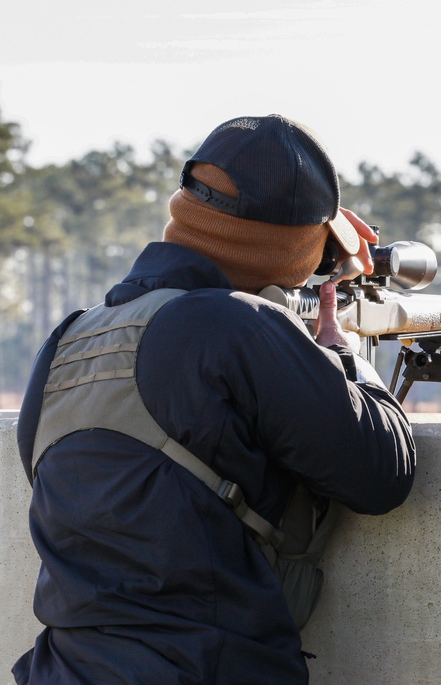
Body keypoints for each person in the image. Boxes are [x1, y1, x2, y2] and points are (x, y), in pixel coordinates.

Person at [13, 114, 416, 683]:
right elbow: (382, 473)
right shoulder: (237, 325)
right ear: (292, 246)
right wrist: (342, 357)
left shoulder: (71, 339)